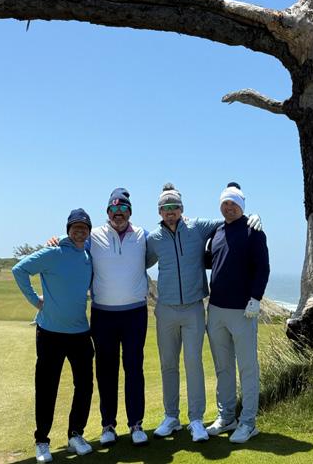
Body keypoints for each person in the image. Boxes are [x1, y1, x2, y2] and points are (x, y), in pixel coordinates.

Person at [146, 183, 262, 443]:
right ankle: (171, 417)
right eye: (165, 207)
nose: (170, 211)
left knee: (194, 364)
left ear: (182, 208)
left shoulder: (198, 227)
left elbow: (231, 220)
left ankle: (196, 420)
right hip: (167, 309)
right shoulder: (153, 239)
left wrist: (252, 216)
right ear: (159, 211)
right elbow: (136, 260)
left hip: (194, 308)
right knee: (169, 365)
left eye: (174, 206)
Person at [48, 188, 149, 447]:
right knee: (106, 371)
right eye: (114, 210)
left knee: (134, 368)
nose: (118, 214)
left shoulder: (142, 236)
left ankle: (136, 424)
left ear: (130, 212)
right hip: (103, 315)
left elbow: (165, 242)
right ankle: (108, 425)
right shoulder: (94, 236)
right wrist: (55, 240)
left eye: (123, 209)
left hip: (135, 314)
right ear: (108, 212)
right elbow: (73, 243)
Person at [12, 208, 95, 463]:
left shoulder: (88, 255)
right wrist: (35, 301)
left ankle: (75, 435)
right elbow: (19, 270)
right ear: (68, 230)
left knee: (85, 386)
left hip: (80, 332)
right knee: (47, 388)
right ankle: (42, 441)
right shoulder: (53, 252)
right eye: (75, 227)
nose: (80, 231)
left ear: (88, 232)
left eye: (84, 227)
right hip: (50, 333)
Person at [205, 183, 270, 443]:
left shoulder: (254, 231)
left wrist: (256, 298)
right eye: (225, 203)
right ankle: (227, 417)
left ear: (242, 206)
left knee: (247, 368)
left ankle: (248, 423)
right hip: (216, 310)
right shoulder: (217, 231)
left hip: (243, 311)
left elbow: (263, 267)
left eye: (234, 203)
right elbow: (211, 261)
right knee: (223, 368)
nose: (229, 207)